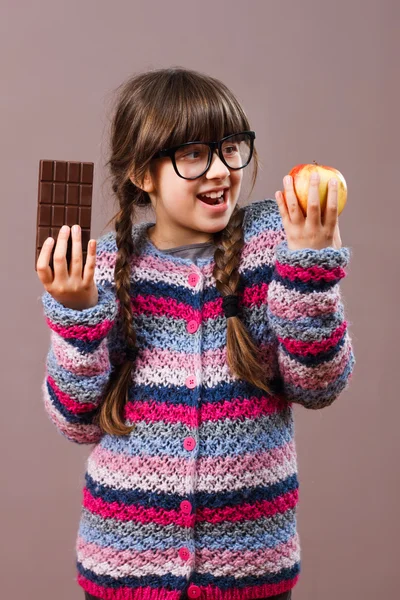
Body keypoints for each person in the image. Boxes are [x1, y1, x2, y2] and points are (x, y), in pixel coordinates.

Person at [36, 66, 355, 600]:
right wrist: (77, 317)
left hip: (252, 568)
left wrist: (309, 270)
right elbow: (77, 423)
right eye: (192, 154)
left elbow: (318, 385)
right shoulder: (106, 269)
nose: (220, 171)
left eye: (231, 147)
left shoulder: (276, 241)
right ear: (142, 172)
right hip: (123, 563)